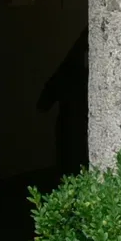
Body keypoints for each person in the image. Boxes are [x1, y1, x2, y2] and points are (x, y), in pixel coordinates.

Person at [37, 28, 90, 179]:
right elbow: (43, 104)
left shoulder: (67, 68)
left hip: (69, 128)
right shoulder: (73, 70)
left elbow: (43, 104)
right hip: (73, 128)